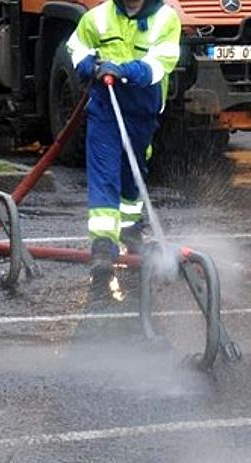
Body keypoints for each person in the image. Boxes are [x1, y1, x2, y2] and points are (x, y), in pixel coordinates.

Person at [67, 0, 181, 290]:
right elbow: (77, 46)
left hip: (143, 109)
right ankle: (103, 249)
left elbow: (160, 64)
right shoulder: (99, 17)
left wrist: (124, 70)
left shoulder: (165, 18)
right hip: (105, 107)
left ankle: (131, 231)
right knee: (105, 172)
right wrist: (89, 66)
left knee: (133, 172)